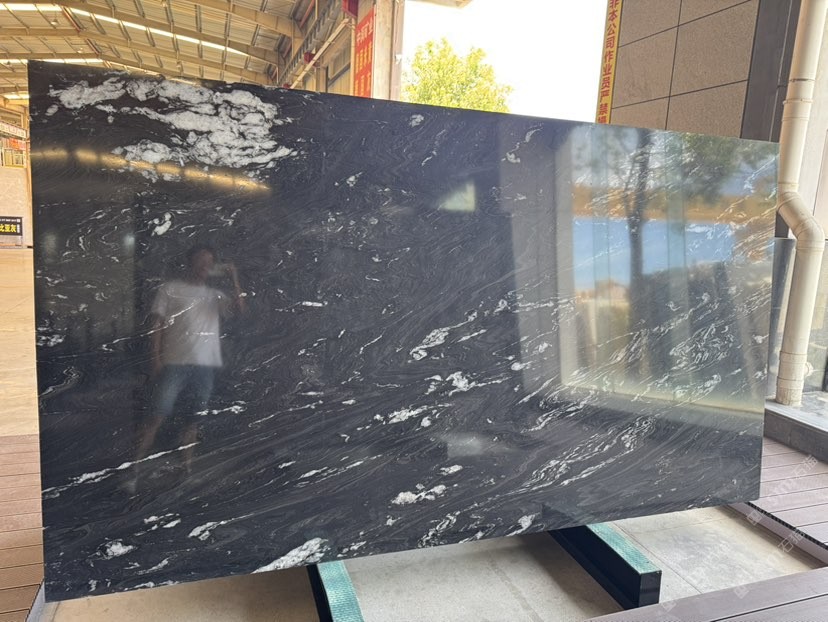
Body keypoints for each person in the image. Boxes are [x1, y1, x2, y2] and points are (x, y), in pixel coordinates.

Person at [133, 244, 245, 483]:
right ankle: (132, 470)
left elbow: (239, 310)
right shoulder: (170, 289)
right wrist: (155, 358)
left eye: (209, 263)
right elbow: (156, 325)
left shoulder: (214, 296)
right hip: (174, 363)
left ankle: (187, 471)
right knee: (155, 417)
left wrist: (234, 277)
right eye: (200, 261)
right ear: (190, 263)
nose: (205, 267)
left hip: (204, 367)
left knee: (193, 421)